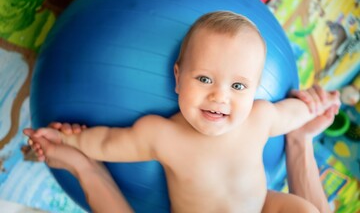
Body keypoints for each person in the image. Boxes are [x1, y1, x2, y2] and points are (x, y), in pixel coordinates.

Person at [24, 11, 340, 213]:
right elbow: (107, 143)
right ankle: (83, 167)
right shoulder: (162, 134)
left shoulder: (260, 117)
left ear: (256, 89)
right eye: (204, 79)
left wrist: (316, 105)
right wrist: (70, 140)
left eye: (239, 87)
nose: (220, 97)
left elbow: (294, 113)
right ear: (178, 78)